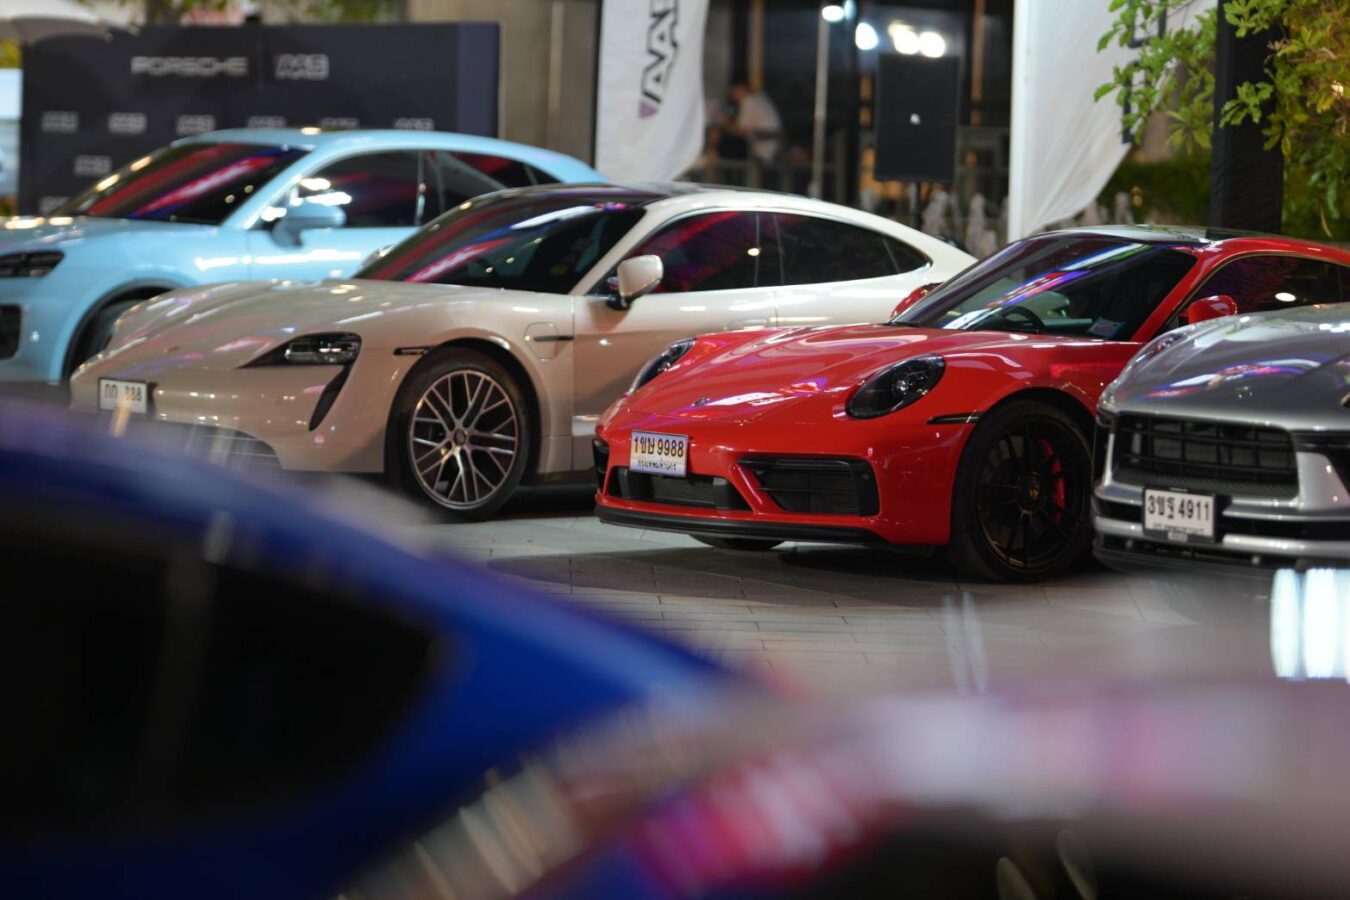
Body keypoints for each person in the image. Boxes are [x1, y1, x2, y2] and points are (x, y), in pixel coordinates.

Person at [721, 82, 782, 169]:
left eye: (734, 92)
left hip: (763, 149)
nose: (733, 97)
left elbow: (741, 130)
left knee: (727, 142)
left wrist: (725, 124)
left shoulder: (748, 101)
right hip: (774, 146)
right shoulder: (761, 97)